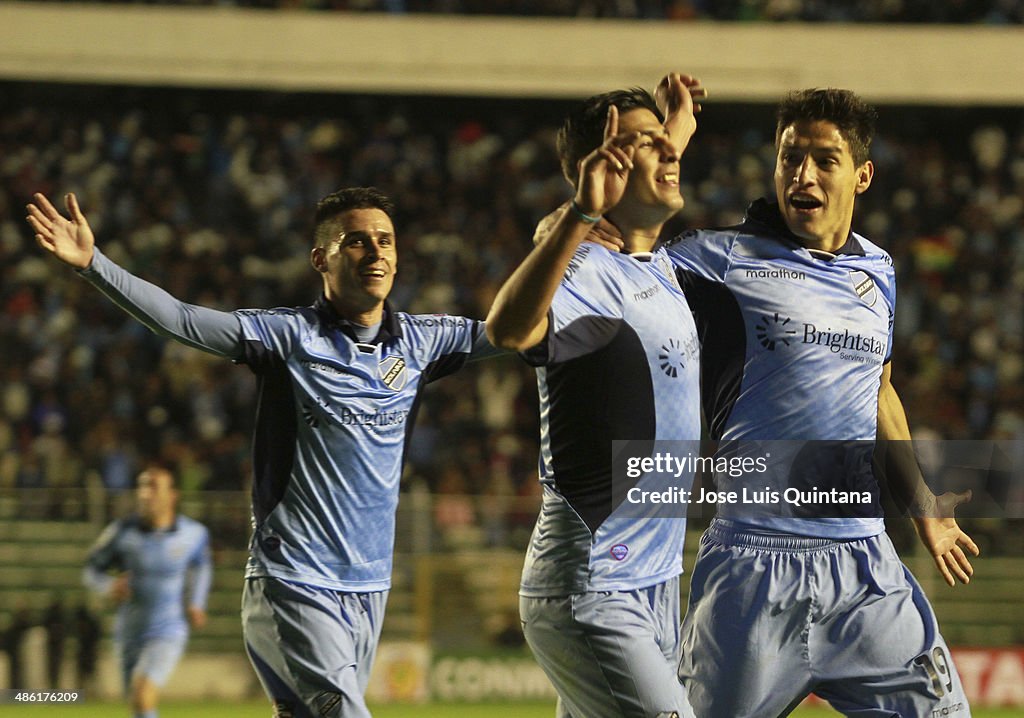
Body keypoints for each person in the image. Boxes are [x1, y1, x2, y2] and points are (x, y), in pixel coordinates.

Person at [28, 186, 497, 718]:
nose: (377, 253)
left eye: (385, 241)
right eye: (358, 241)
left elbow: (517, 330)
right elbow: (182, 319)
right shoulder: (290, 337)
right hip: (293, 576)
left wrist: (591, 258)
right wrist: (95, 264)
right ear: (322, 258)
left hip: (369, 584)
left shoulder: (422, 341)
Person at [650, 79, 980, 716]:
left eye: (824, 160)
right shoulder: (716, 260)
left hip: (864, 566)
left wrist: (927, 510)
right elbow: (619, 256)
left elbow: (881, 392)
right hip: (752, 569)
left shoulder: (878, 272)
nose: (802, 174)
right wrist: (671, 145)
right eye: (789, 157)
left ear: (862, 175)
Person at [486, 81, 704, 718]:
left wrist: (674, 127)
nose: (669, 155)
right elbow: (508, 330)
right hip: (594, 584)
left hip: (655, 583)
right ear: (601, 169)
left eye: (669, 146)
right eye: (646, 145)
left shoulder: (659, 267)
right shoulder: (586, 271)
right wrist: (577, 215)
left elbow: (653, 172)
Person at [83, 465, 211, 718]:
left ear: (172, 495)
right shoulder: (121, 532)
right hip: (128, 630)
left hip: (168, 629)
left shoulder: (193, 534)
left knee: (143, 694)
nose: (145, 494)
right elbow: (91, 569)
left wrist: (197, 602)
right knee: (137, 703)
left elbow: (201, 566)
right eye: (141, 486)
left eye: (153, 487)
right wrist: (108, 586)